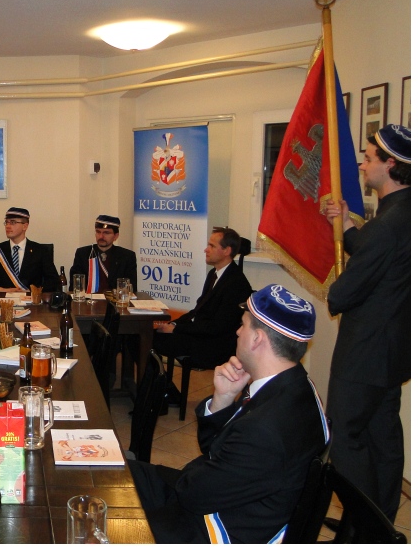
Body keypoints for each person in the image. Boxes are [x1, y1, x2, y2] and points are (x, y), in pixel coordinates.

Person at [128, 284, 329, 543]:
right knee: (119, 471)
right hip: (226, 496)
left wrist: (194, 472)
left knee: (115, 523)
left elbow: (193, 495)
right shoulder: (297, 386)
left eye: (243, 325)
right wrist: (223, 398)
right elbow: (219, 450)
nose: (237, 331)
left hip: (218, 527)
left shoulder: (265, 428)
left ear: (257, 339)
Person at [324, 124, 410, 522]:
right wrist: (347, 224)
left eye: (369, 158)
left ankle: (361, 525)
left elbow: (341, 295)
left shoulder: (388, 225)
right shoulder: (404, 214)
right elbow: (375, 252)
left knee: (345, 439)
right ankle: (382, 522)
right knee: (383, 440)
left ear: (390, 164)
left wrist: (337, 284)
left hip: (364, 355)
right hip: (392, 353)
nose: (362, 165)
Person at [153, 227, 252, 369]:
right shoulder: (214, 274)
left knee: (147, 340)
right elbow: (198, 310)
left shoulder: (237, 283)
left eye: (212, 246)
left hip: (213, 346)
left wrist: (176, 329)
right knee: (146, 335)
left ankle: (155, 382)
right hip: (201, 336)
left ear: (227, 251)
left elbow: (217, 327)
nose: (206, 250)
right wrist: (174, 324)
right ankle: (156, 380)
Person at [0, 207, 60, 292]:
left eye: (13, 222)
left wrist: (34, 291)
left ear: (25, 226)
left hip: (31, 299)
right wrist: (1, 290)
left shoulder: (40, 251)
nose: (8, 226)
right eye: (6, 222)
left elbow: (53, 281)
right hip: (3, 299)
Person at [69, 214, 137, 293]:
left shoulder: (127, 256)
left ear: (116, 236)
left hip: (114, 300)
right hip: (89, 299)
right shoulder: (83, 254)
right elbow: (74, 286)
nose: (101, 236)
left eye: (106, 233)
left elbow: (131, 289)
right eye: (98, 232)